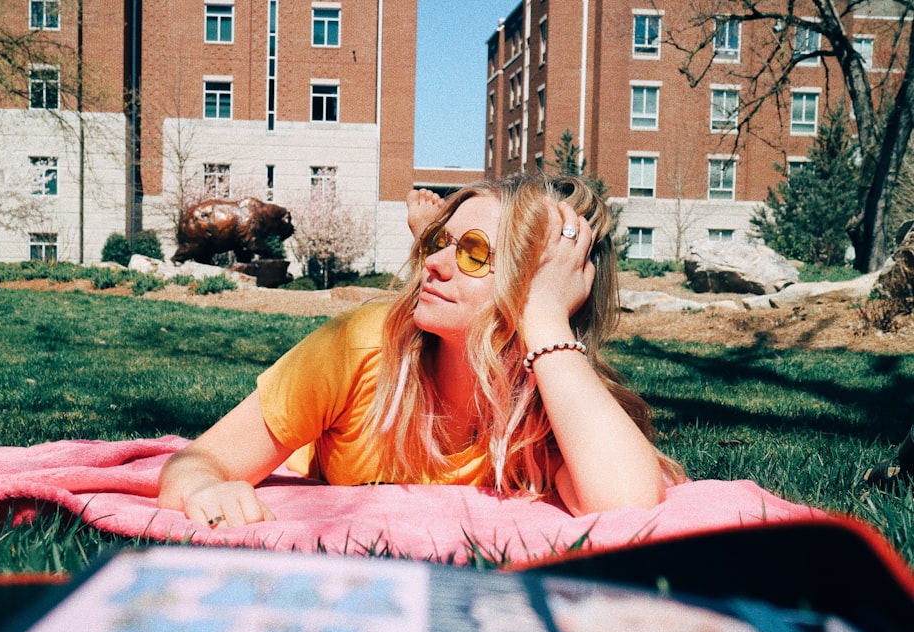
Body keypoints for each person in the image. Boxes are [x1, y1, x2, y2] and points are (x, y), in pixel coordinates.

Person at [158, 174, 684, 528]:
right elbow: (198, 461)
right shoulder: (359, 344)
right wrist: (208, 491)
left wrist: (545, 318)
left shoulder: (550, 402)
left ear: (539, 287)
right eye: (439, 241)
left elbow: (627, 508)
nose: (432, 264)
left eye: (475, 253)